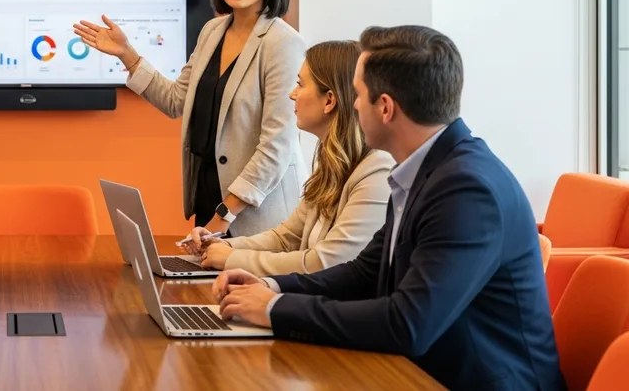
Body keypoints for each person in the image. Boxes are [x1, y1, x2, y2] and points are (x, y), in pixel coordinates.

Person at [214, 26, 564, 390]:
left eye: (360, 94)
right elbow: (365, 272)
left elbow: (407, 323)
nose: (353, 104)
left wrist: (274, 310)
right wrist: (270, 286)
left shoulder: (467, 190)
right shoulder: (425, 169)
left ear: (385, 108)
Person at [74, 0, 305, 237]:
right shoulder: (213, 31)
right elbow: (175, 100)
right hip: (210, 202)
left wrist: (224, 215)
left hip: (257, 216)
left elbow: (277, 145)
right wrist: (127, 53)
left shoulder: (282, 43)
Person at [185, 40, 394, 275]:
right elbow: (285, 239)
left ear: (329, 101)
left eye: (300, 84)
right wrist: (223, 245)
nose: (292, 94)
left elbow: (326, 263)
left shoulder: (378, 173)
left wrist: (233, 258)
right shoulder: (330, 165)